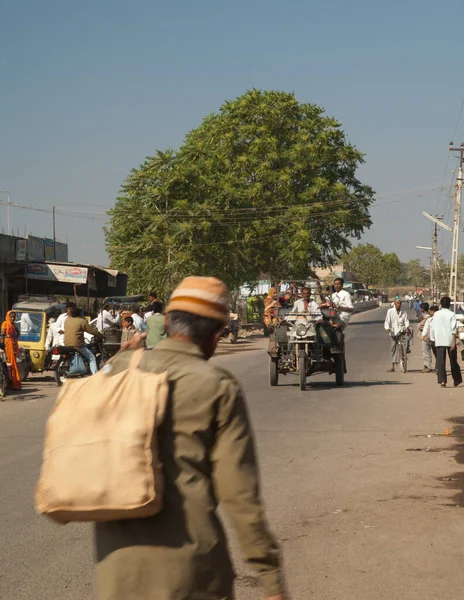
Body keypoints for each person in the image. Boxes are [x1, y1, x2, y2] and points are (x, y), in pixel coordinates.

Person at [94, 276, 285, 600]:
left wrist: (118, 360)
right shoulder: (218, 386)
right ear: (215, 336)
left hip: (116, 576)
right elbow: (240, 497)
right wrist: (270, 579)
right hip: (192, 575)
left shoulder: (117, 369)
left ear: (167, 322)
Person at [431, 296, 462, 388]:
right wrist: (454, 342)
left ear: (441, 304)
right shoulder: (452, 314)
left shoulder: (436, 314)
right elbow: (453, 330)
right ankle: (457, 379)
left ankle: (442, 381)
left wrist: (434, 338)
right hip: (449, 340)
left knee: (440, 361)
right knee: (453, 361)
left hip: (439, 340)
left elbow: (433, 327)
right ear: (449, 305)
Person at [64, 306, 101, 375]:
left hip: (67, 344)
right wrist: (101, 335)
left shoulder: (67, 320)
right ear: (80, 314)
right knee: (92, 358)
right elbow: (92, 331)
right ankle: (95, 376)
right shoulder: (82, 321)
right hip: (77, 345)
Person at [384, 298, 410, 372]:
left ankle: (407, 348)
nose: (398, 305)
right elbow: (387, 321)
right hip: (393, 331)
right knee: (393, 348)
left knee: (410, 333)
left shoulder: (404, 312)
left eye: (400, 303)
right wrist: (387, 328)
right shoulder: (390, 311)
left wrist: (406, 327)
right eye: (397, 303)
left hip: (402, 330)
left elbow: (406, 321)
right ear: (394, 304)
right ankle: (392, 366)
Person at [1, 310, 21, 390]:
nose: (12, 318)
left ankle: (14, 383)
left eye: (13, 317)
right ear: (8, 317)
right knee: (9, 364)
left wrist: (15, 337)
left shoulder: (14, 325)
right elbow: (2, 335)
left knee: (13, 364)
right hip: (7, 344)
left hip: (13, 345)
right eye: (11, 317)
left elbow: (18, 333)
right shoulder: (5, 323)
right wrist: (2, 345)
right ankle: (11, 383)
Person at [422, 305, 438, 372]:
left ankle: (438, 368)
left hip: (439, 340)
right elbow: (425, 329)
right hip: (432, 340)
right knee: (429, 351)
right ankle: (428, 366)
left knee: (438, 354)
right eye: (432, 312)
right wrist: (423, 336)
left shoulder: (440, 319)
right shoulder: (429, 320)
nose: (433, 313)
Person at [417, 302, 432, 373]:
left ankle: (427, 367)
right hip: (429, 335)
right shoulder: (428, 315)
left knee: (426, 351)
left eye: (421, 308)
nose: (420, 309)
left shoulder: (426, 316)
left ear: (423, 308)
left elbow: (420, 325)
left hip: (426, 336)